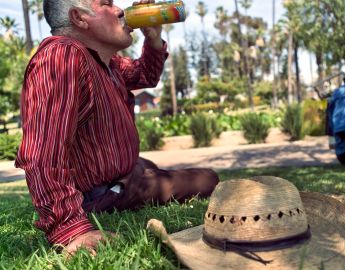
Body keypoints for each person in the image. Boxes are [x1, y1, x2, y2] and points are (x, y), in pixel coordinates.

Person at [15, 0, 219, 257]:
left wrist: (154, 38)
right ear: (79, 18)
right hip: (104, 193)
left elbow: (145, 75)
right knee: (208, 178)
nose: (120, 10)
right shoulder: (62, 55)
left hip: (126, 171)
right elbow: (44, 152)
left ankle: (141, 174)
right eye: (106, 4)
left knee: (148, 167)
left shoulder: (105, 63)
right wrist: (71, 230)